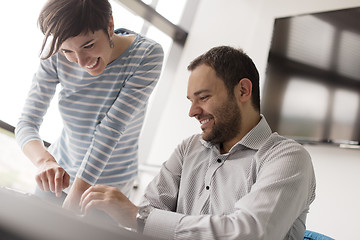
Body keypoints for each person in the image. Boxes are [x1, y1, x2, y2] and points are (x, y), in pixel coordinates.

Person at [78, 46, 316, 240]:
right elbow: (150, 212)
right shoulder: (188, 149)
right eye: (191, 100)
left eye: (203, 97)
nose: (192, 111)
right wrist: (140, 218)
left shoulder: (287, 158)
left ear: (243, 90)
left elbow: (250, 233)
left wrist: (139, 218)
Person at [15, 0, 164, 210]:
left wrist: (72, 204)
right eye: (68, 52)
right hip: (58, 180)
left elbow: (110, 130)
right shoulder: (56, 52)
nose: (82, 61)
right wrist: (45, 162)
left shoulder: (146, 55)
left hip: (108, 192)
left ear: (110, 25)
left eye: (89, 45)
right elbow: (27, 123)